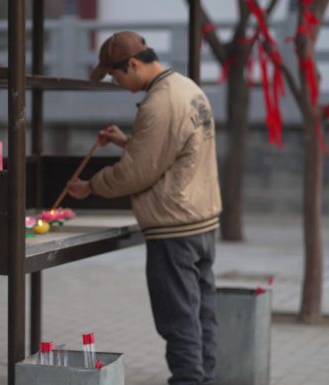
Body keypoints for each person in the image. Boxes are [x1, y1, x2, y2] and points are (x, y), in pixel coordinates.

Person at [67, 31, 222, 385]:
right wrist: (127, 140)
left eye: (116, 74)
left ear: (133, 64)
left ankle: (188, 381)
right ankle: (204, 379)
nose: (116, 82)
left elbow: (135, 174)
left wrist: (91, 186)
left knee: (178, 318)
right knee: (202, 313)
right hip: (202, 221)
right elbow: (173, 149)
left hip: (174, 228)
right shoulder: (187, 88)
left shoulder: (159, 103)